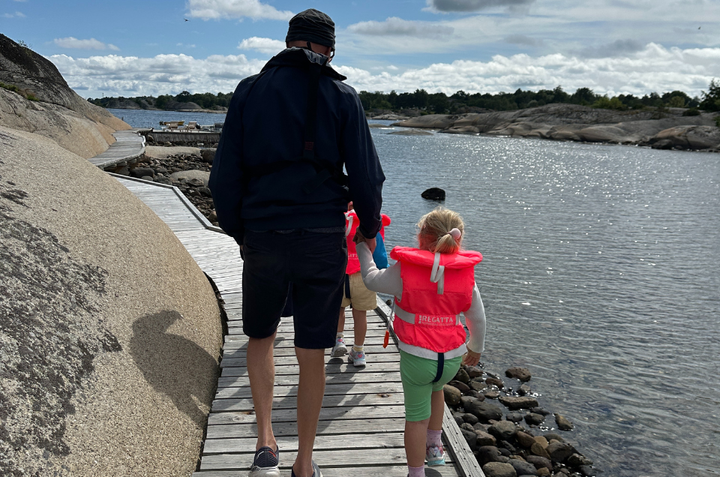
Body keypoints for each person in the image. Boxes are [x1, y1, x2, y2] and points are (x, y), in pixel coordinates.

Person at [208, 8, 385, 477]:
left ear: (289, 41)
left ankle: (265, 441)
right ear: (328, 48)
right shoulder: (343, 95)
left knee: (261, 336)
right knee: (312, 348)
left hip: (263, 234)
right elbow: (367, 176)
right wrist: (368, 227)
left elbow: (224, 176)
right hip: (322, 238)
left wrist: (239, 231)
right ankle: (304, 463)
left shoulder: (249, 91)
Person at [354, 207, 486, 477]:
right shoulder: (465, 273)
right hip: (450, 359)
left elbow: (370, 279)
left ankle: (416, 473)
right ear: (457, 240)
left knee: (415, 419)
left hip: (417, 358)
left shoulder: (406, 270)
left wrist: (363, 249)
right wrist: (476, 348)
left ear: (422, 238)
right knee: (437, 390)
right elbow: (477, 317)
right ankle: (435, 449)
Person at [333, 203, 391, 366]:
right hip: (363, 275)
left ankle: (339, 340)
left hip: (340, 274)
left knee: (339, 310)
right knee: (361, 315)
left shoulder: (338, 218)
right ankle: (358, 351)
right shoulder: (371, 221)